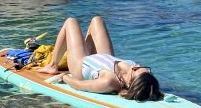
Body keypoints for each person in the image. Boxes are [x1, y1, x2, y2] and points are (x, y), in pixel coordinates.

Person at [35, 16, 163, 102]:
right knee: (97, 20)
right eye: (147, 70)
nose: (139, 65)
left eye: (138, 69)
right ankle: (80, 46)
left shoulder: (109, 81)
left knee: (70, 22)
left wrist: (64, 77)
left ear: (130, 83)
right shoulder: (133, 70)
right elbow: (145, 82)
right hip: (103, 58)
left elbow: (79, 85)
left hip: (81, 64)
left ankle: (52, 65)